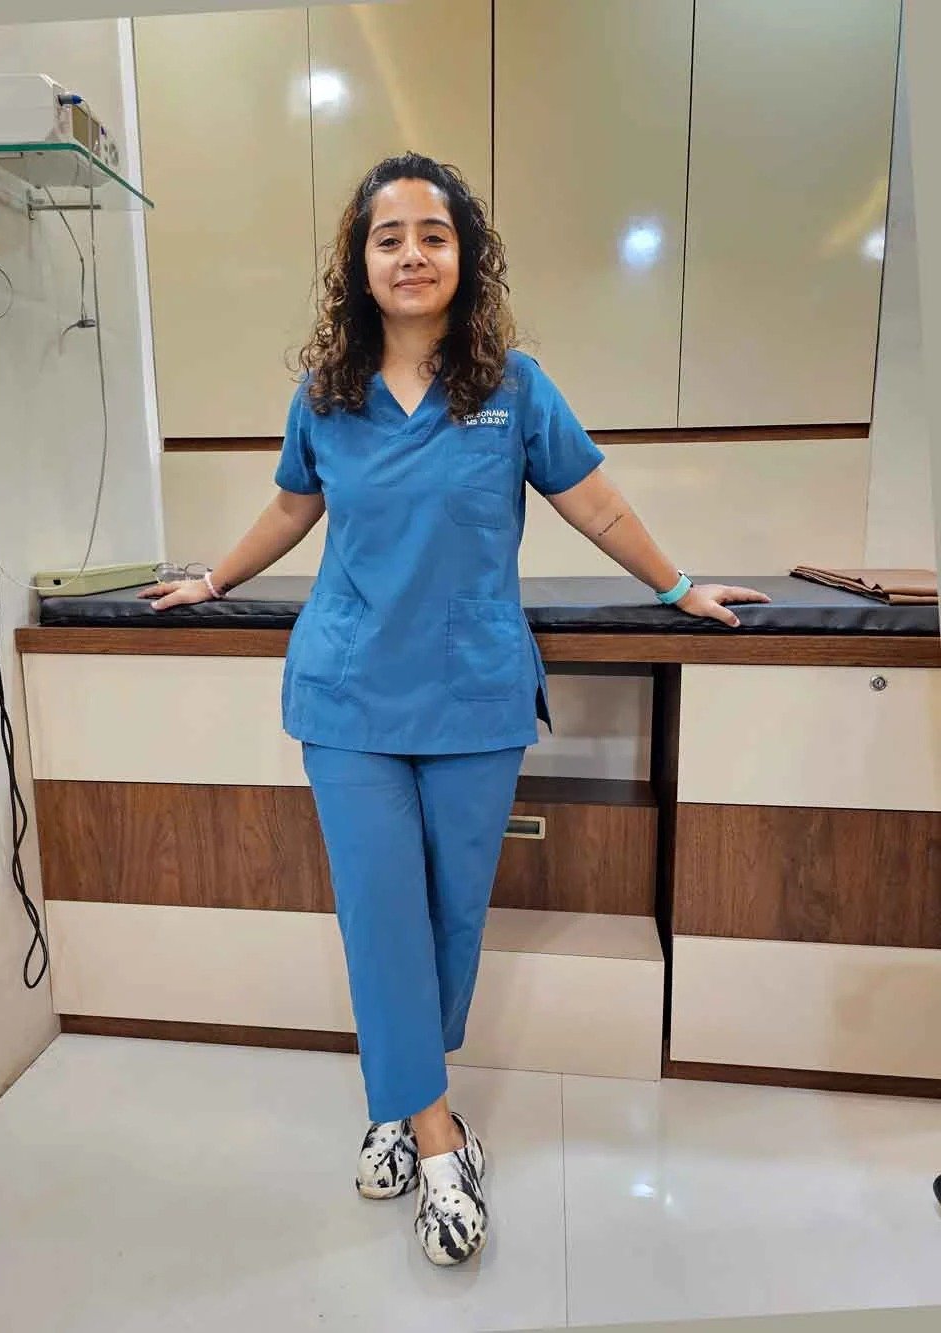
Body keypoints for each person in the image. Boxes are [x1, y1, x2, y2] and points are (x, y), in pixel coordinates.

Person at [139, 152, 769, 1267]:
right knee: (379, 911)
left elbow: (595, 503)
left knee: (448, 920)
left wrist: (679, 586)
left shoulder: (513, 386)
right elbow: (290, 508)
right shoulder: (326, 395)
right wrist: (215, 578)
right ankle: (438, 1139)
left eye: (433, 234)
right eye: (388, 237)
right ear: (359, 264)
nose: (412, 254)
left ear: (465, 256)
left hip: (475, 693)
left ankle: (398, 1097)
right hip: (349, 694)